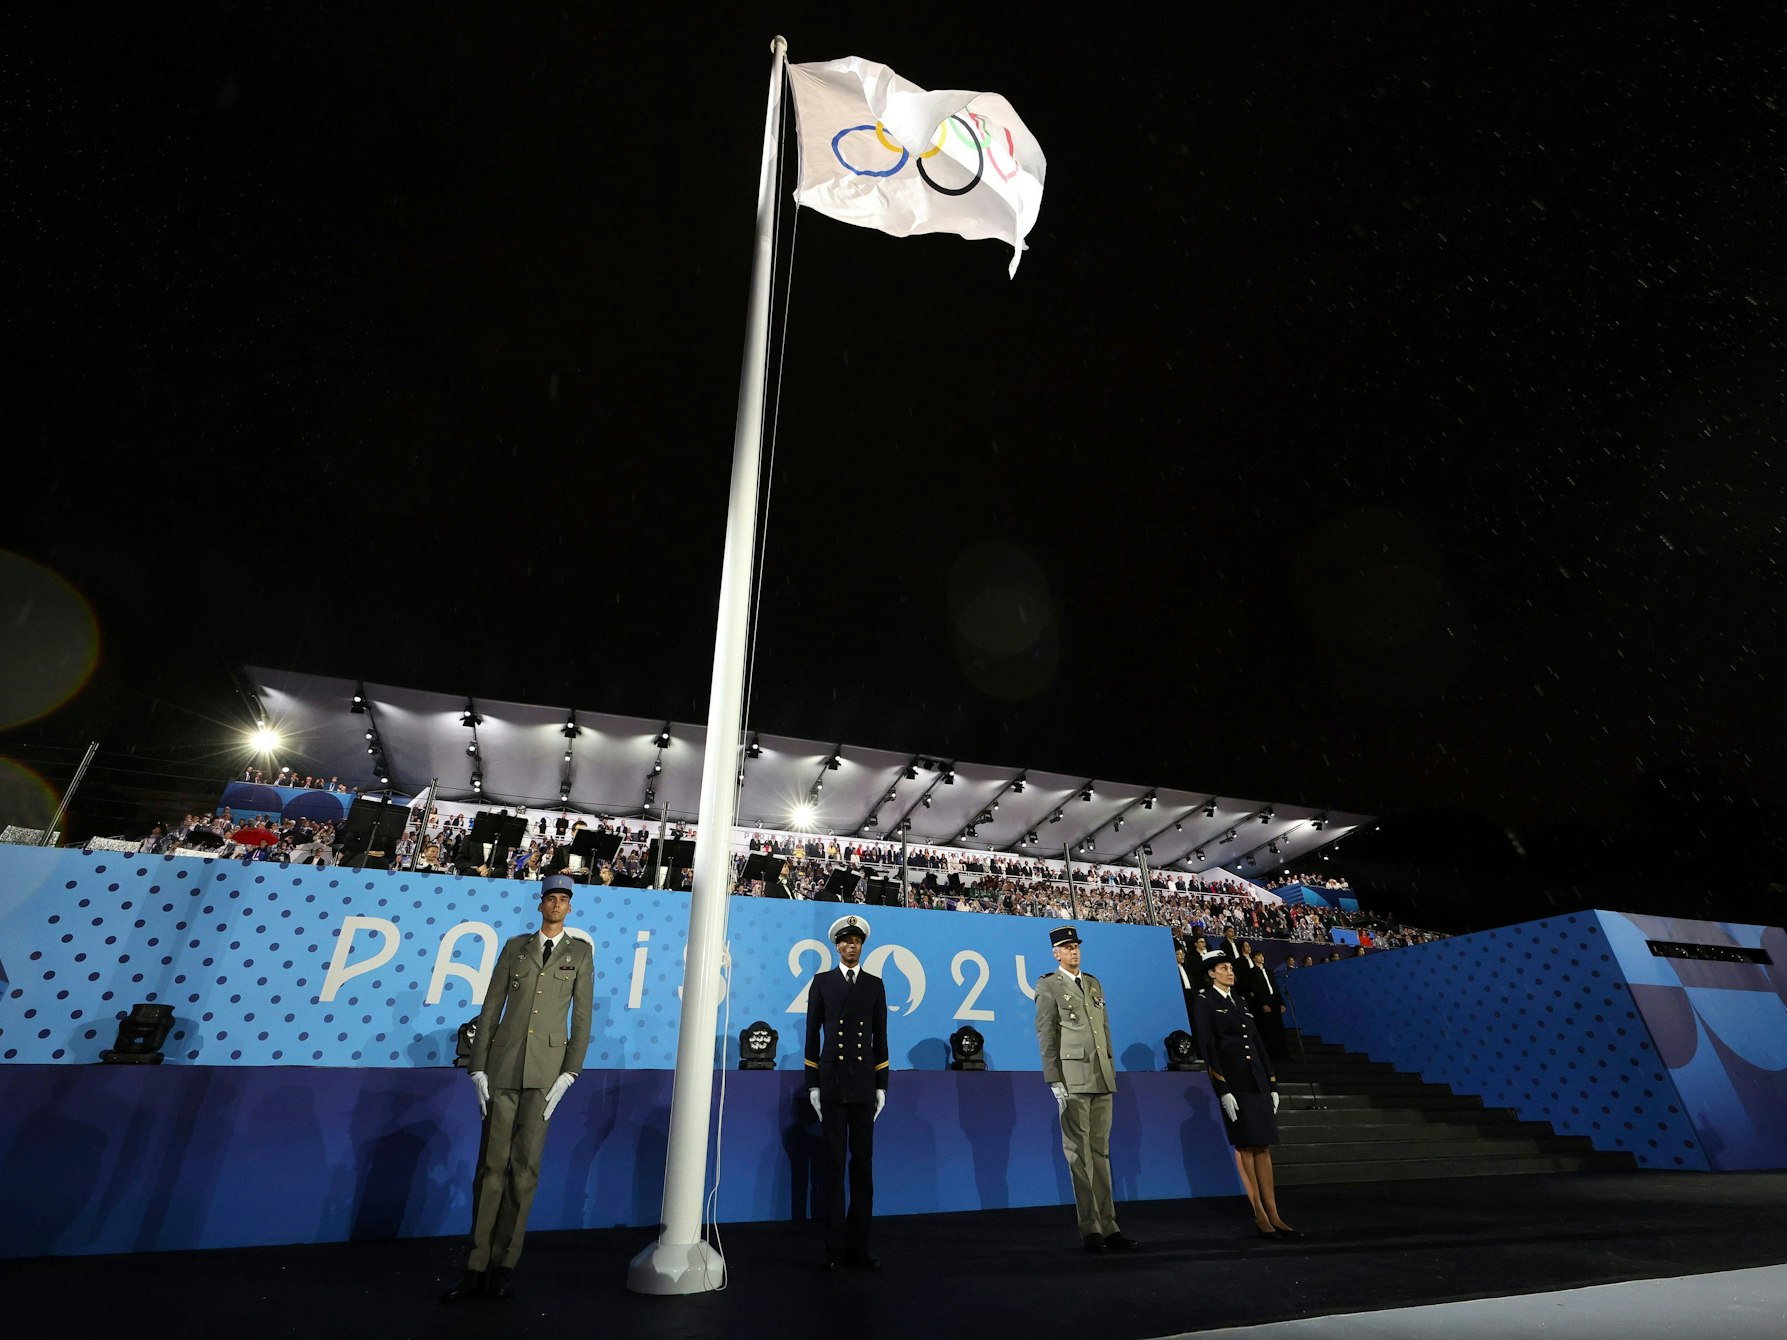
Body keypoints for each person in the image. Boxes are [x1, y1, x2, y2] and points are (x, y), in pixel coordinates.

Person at [443, 874, 593, 1302]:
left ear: (569, 907)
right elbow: (491, 1006)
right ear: (540, 904)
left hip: (546, 1075)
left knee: (524, 1174)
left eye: (564, 899)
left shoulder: (580, 954)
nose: (557, 905)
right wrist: (477, 1066)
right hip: (504, 1069)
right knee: (490, 1171)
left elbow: (581, 1019)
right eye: (552, 899)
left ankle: (504, 1266)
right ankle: (475, 1266)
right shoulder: (515, 947)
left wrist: (571, 1071)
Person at [1034, 925, 1136, 1253]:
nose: (1074, 951)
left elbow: (1103, 1030)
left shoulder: (1093, 982)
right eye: (1067, 947)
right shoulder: (1048, 985)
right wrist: (1054, 1079)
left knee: (1101, 1153)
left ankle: (1110, 1225)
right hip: (1073, 1079)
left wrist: (1109, 1068)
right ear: (1056, 953)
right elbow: (1046, 1035)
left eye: (1076, 945)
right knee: (1078, 1156)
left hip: (1101, 1079)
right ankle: (1090, 1227)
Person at [804, 913, 889, 1270]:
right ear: (836, 946)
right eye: (845, 941)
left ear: (862, 946)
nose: (851, 946)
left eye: (856, 941)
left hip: (863, 1085)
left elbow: (880, 1038)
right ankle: (834, 1247)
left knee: (863, 1167)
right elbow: (811, 1035)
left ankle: (859, 1245)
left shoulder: (874, 984)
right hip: (833, 1082)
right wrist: (812, 1084)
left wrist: (882, 1084)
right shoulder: (821, 982)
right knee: (834, 1166)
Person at [1193, 951, 1296, 1240]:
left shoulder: (1240, 1001)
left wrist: (1272, 1083)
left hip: (1257, 1081)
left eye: (1230, 967)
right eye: (1223, 968)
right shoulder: (1204, 1001)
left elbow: (1257, 1043)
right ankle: (1259, 1213)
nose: (1230, 972)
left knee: (1263, 1146)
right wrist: (1222, 1088)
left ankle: (1274, 1212)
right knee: (1245, 1146)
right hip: (1235, 1082)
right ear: (1212, 973)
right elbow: (1208, 1045)